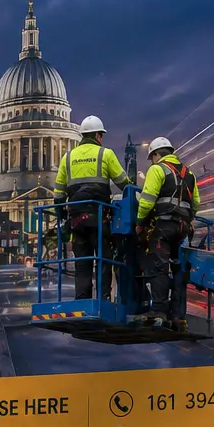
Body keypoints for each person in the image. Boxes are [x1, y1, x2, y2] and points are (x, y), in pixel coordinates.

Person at [53, 115, 130, 300]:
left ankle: (82, 299)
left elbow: (58, 194)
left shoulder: (68, 157)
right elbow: (124, 183)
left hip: (76, 220)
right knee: (103, 260)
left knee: (82, 262)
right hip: (99, 218)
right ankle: (103, 298)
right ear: (98, 136)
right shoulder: (105, 154)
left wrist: (61, 217)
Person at [136, 137, 199, 323]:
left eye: (151, 157)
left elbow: (147, 200)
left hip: (164, 228)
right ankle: (178, 314)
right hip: (183, 229)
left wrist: (140, 222)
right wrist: (189, 219)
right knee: (179, 270)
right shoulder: (189, 173)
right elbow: (196, 202)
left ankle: (159, 311)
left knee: (159, 268)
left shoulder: (157, 170)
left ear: (156, 154)